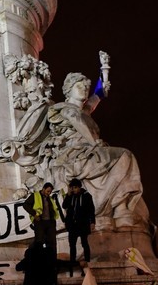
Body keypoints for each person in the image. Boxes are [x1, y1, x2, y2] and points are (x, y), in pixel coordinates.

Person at [45, 71, 149, 228]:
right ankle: (116, 207)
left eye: (86, 87)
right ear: (68, 89)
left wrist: (102, 83)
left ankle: (120, 208)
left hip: (91, 149)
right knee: (124, 156)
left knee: (124, 157)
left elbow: (95, 98)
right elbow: (76, 120)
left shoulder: (85, 111)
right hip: (75, 152)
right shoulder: (66, 109)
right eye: (79, 86)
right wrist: (93, 142)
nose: (84, 89)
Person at [61, 178, 96, 274]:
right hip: (72, 225)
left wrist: (92, 222)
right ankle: (72, 263)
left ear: (79, 187)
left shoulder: (86, 196)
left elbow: (91, 210)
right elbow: (64, 205)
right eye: (72, 188)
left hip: (83, 224)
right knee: (72, 245)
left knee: (84, 243)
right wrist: (68, 194)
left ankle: (87, 261)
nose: (74, 190)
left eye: (75, 187)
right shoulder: (71, 196)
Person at [22, 182, 60, 247]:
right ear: (43, 189)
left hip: (50, 223)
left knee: (52, 243)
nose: (49, 193)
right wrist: (34, 214)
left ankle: (51, 254)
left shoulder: (49, 198)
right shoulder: (35, 195)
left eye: (50, 192)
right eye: (48, 191)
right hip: (40, 222)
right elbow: (25, 205)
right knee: (39, 242)